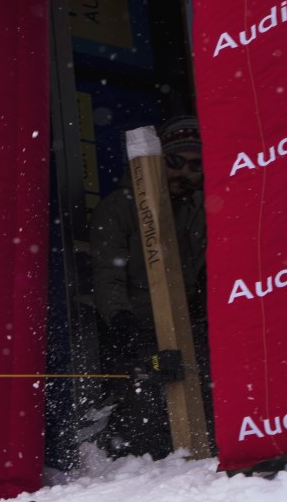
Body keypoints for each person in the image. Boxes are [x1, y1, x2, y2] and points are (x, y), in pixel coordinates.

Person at [89, 115, 210, 458]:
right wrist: (125, 325)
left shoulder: (199, 208)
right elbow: (106, 276)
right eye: (175, 162)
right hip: (136, 325)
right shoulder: (118, 208)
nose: (184, 173)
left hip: (189, 323)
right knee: (145, 411)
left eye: (195, 166)